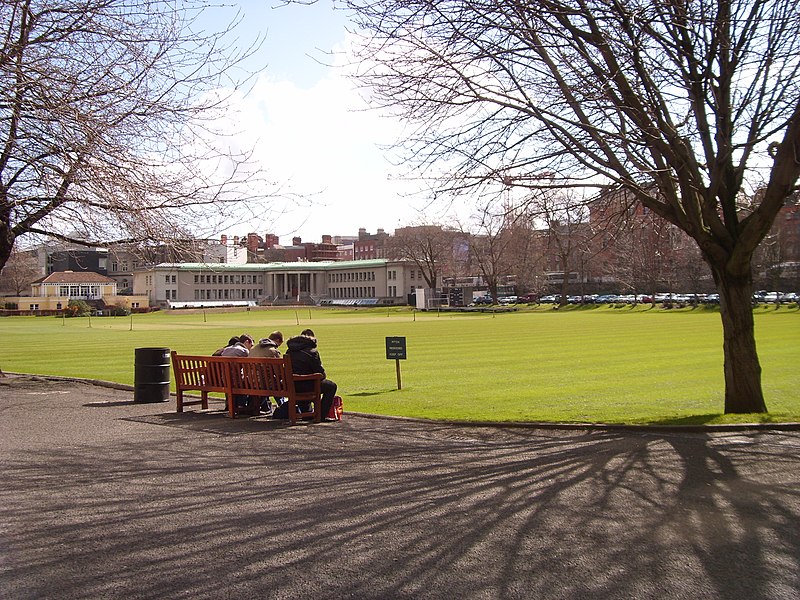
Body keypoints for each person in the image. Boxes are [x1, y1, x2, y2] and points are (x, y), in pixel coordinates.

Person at [280, 328, 337, 422]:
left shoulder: (289, 351)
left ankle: (307, 413)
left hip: (291, 385)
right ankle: (321, 415)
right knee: (331, 386)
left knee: (306, 383)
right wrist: (322, 375)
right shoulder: (312, 352)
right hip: (307, 384)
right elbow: (319, 372)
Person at [249, 330, 285, 413]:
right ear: (278, 340)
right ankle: (283, 406)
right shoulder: (273, 351)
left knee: (270, 381)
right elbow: (280, 373)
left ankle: (256, 407)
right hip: (265, 383)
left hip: (252, 381)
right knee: (278, 384)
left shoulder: (253, 349)